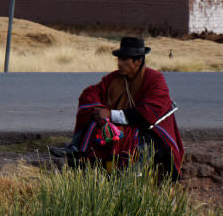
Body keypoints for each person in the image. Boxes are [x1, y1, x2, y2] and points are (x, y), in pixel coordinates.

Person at [63, 36, 184, 179]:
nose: (119, 63)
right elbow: (90, 94)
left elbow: (148, 114)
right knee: (93, 116)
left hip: (150, 129)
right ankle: (77, 149)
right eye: (119, 59)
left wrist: (110, 114)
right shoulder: (114, 78)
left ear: (138, 61)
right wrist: (100, 112)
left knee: (139, 143)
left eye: (124, 60)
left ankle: (128, 177)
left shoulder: (155, 80)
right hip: (119, 125)